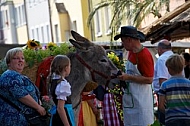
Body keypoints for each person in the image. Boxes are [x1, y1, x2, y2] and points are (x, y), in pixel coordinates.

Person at [114, 26, 154, 126]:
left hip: (142, 103)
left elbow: (149, 79)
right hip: (131, 100)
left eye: (123, 41)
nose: (122, 44)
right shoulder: (131, 53)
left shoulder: (144, 55)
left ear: (129, 40)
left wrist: (128, 77)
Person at [0, 47, 46, 126]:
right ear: (9, 62)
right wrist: (38, 107)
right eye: (16, 58)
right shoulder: (10, 76)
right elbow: (22, 95)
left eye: (22, 58)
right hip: (15, 119)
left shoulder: (17, 75)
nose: (20, 60)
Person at [158, 54, 190, 126]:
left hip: (171, 119)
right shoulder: (189, 84)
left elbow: (161, 106)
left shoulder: (165, 85)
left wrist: (168, 114)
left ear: (169, 69)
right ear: (183, 67)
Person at [49, 55, 75, 126]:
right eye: (70, 66)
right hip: (64, 115)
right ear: (66, 68)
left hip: (57, 115)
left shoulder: (53, 81)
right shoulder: (63, 84)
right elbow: (60, 108)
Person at [152, 39, 173, 125]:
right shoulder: (176, 57)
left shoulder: (161, 59)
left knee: (164, 120)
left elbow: (162, 80)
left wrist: (162, 98)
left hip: (165, 95)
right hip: (175, 93)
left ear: (160, 49)